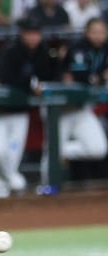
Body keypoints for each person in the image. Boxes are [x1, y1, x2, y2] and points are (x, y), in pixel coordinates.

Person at [0, 17, 55, 198]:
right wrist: (31, 86)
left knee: (12, 157)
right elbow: (7, 80)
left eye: (36, 34)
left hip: (20, 113)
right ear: (22, 34)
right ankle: (14, 179)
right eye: (29, 33)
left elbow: (51, 74)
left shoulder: (43, 52)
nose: (33, 38)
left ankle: (0, 192)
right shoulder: (11, 51)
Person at [54, 17, 108, 180]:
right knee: (52, 155)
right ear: (86, 33)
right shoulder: (78, 48)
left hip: (83, 109)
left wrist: (97, 79)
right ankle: (48, 189)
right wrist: (100, 77)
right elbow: (80, 77)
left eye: (102, 32)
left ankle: (60, 150)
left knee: (98, 149)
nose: (99, 36)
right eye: (94, 32)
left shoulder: (105, 49)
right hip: (61, 108)